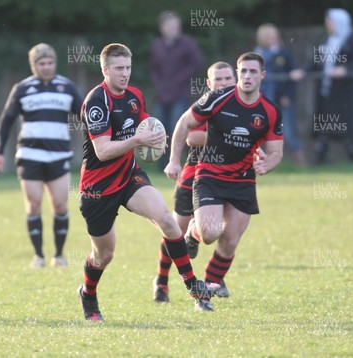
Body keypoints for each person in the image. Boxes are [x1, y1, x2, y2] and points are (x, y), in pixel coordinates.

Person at [76, 43, 218, 321]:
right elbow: (103, 151)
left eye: (128, 67)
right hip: (97, 188)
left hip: (129, 176)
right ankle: (88, 294)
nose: (125, 74)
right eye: (118, 68)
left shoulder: (134, 95)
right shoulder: (97, 102)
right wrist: (138, 140)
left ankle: (193, 286)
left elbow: (146, 125)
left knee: (167, 219)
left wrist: (155, 138)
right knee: (104, 255)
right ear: (105, 70)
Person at [164, 52, 284, 311]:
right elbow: (185, 122)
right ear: (237, 74)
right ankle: (193, 233)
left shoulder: (271, 111)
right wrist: (174, 160)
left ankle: (205, 293)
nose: (247, 76)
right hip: (210, 175)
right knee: (210, 233)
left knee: (230, 240)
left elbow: (276, 152)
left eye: (253, 72)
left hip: (243, 181)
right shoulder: (218, 99)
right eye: (243, 71)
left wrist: (267, 164)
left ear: (262, 75)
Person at [0, 43, 82, 269]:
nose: (46, 67)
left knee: (61, 205)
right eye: (42, 63)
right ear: (34, 65)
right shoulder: (22, 88)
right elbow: (6, 121)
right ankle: (39, 256)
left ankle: (59, 255)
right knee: (33, 205)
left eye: (50, 62)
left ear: (55, 63)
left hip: (59, 155)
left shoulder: (66, 87)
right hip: (30, 156)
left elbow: (85, 117)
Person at [153, 61, 236, 304]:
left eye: (227, 79)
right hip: (196, 172)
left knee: (225, 228)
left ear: (235, 80)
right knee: (175, 230)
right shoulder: (206, 104)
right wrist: (227, 136)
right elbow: (192, 137)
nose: (223, 84)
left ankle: (215, 277)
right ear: (209, 84)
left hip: (228, 175)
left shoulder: (243, 105)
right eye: (217, 80)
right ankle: (161, 280)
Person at [297, 8, 353, 163]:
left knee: (346, 126)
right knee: (324, 126)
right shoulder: (325, 41)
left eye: (330, 21)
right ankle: (319, 163)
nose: (327, 25)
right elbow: (315, 63)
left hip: (344, 94)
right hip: (325, 92)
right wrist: (303, 72)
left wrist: (344, 70)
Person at [150, 10, 204, 169]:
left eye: (176, 26)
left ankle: (185, 163)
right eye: (171, 26)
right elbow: (154, 69)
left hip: (181, 94)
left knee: (178, 127)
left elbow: (196, 64)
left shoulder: (188, 43)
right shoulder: (158, 46)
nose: (175, 29)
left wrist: (178, 80)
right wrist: (159, 86)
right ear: (162, 27)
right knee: (161, 129)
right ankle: (162, 165)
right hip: (162, 95)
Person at [255, 23, 307, 167]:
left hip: (282, 101)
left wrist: (287, 96)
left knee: (289, 135)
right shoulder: (257, 55)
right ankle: (262, 165)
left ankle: (303, 168)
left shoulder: (283, 53)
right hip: (262, 102)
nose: (274, 38)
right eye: (270, 36)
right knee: (259, 134)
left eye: (275, 35)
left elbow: (293, 74)